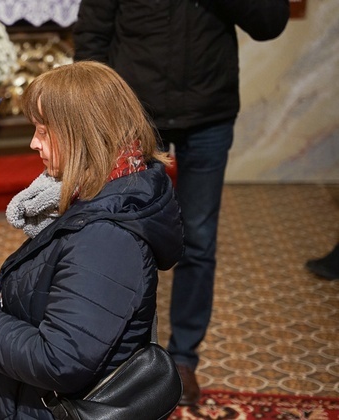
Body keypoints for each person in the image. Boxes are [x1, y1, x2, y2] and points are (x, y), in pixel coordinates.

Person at [0, 61, 184, 419]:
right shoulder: (96, 199)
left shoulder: (107, 238)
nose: (33, 143)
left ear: (84, 133)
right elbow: (59, 290)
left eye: (44, 131)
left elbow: (59, 361)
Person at [73, 0, 290, 405]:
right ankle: (120, 356)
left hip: (209, 112)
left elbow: (270, 22)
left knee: (199, 239)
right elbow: (93, 34)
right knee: (120, 236)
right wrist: (96, 114)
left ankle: (183, 359)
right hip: (134, 115)